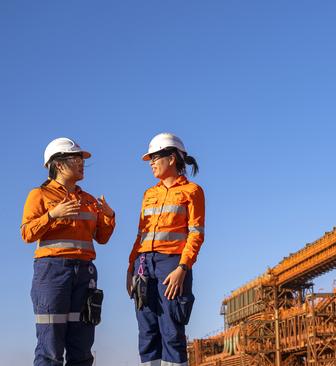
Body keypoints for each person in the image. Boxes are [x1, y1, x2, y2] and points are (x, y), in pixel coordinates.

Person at [21, 137, 115, 366]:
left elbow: (102, 238)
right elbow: (26, 233)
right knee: (50, 349)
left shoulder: (89, 200)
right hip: (52, 272)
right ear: (59, 164)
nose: (82, 163)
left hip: (84, 273)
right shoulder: (39, 195)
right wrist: (53, 215)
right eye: (76, 158)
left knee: (82, 348)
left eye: (81, 159)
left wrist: (109, 216)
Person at [127, 133, 205, 366]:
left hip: (172, 264)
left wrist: (183, 267)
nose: (151, 163)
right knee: (147, 330)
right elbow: (140, 235)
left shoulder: (192, 191)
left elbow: (196, 233)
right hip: (143, 264)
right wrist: (130, 266)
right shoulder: (149, 194)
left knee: (171, 331)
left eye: (155, 157)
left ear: (171, 158)